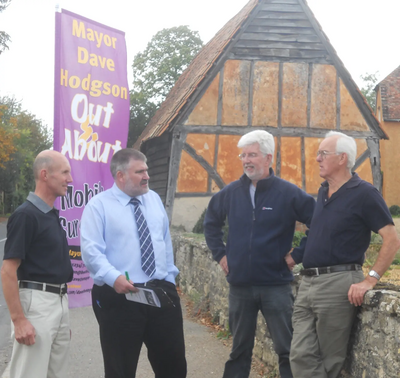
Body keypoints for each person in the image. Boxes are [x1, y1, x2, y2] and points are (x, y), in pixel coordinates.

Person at [204, 130, 315, 378]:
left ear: (268, 158)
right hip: (240, 286)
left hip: (276, 285)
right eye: (243, 155)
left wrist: (297, 255)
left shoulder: (288, 193)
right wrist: (220, 254)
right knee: (239, 349)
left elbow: (317, 222)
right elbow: (211, 223)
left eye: (252, 155)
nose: (246, 160)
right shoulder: (230, 193)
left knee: (287, 349)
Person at [288, 131, 400, 378]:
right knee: (298, 353)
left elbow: (392, 239)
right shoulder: (322, 192)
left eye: (323, 153)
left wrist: (370, 279)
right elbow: (318, 234)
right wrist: (294, 257)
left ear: (342, 158)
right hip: (307, 282)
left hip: (338, 284)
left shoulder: (364, 193)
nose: (317, 158)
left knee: (330, 360)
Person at [80, 148, 186, 378]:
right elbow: (91, 251)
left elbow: (164, 242)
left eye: (146, 170)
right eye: (140, 171)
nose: (147, 175)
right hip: (119, 296)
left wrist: (169, 279)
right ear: (120, 176)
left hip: (160, 292)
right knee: (120, 369)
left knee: (174, 366)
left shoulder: (154, 200)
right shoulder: (98, 206)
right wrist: (113, 278)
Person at [0, 150, 74, 378]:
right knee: (29, 374)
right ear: (45, 174)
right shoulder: (26, 215)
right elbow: (8, 270)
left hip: (58, 301)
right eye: (64, 172)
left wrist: (61, 314)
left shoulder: (50, 214)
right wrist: (19, 320)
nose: (69, 179)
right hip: (37, 304)